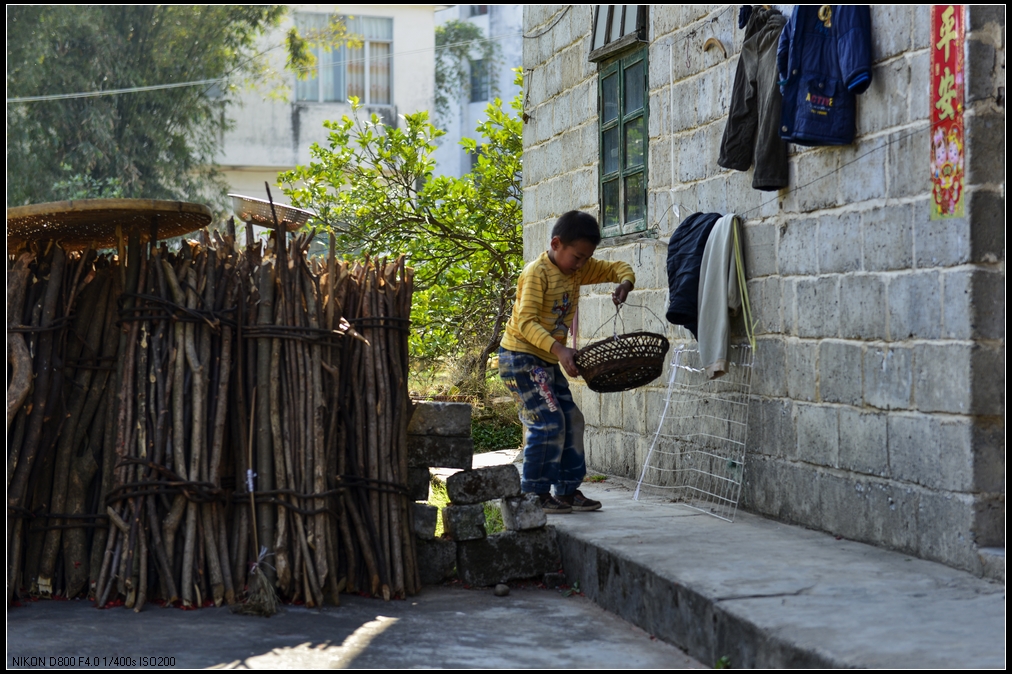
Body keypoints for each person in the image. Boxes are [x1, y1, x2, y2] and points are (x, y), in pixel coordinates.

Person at [498, 211, 635, 513]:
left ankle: (568, 491)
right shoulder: (537, 273)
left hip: (544, 362)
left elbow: (617, 267)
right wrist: (561, 351)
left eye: (587, 259)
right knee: (549, 422)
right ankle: (534, 494)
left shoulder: (577, 270)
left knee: (572, 420)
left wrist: (625, 283)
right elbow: (526, 323)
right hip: (520, 358)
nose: (582, 265)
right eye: (577, 257)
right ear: (556, 244)